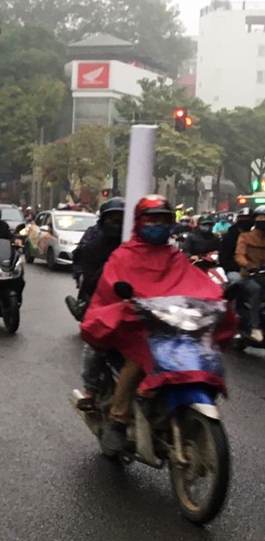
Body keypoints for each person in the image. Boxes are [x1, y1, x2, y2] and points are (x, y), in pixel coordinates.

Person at [80, 195, 236, 455]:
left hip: (170, 325)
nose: (158, 225)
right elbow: (110, 287)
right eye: (152, 220)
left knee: (203, 350)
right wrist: (127, 300)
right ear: (140, 222)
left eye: (164, 220)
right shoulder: (123, 255)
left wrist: (218, 297)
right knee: (139, 359)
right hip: (138, 327)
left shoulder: (176, 256)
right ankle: (118, 419)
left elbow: (195, 283)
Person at [65, 198, 125, 410]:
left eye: (121, 218)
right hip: (99, 295)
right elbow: (82, 264)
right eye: (112, 218)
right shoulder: (93, 240)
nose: (116, 222)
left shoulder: (134, 241)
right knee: (96, 344)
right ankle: (90, 389)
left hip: (132, 300)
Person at [234, 206, 265, 342]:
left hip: (263, 274)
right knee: (256, 290)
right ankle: (255, 327)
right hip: (249, 275)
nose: (263, 221)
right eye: (260, 219)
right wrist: (249, 266)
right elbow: (239, 255)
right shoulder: (245, 237)